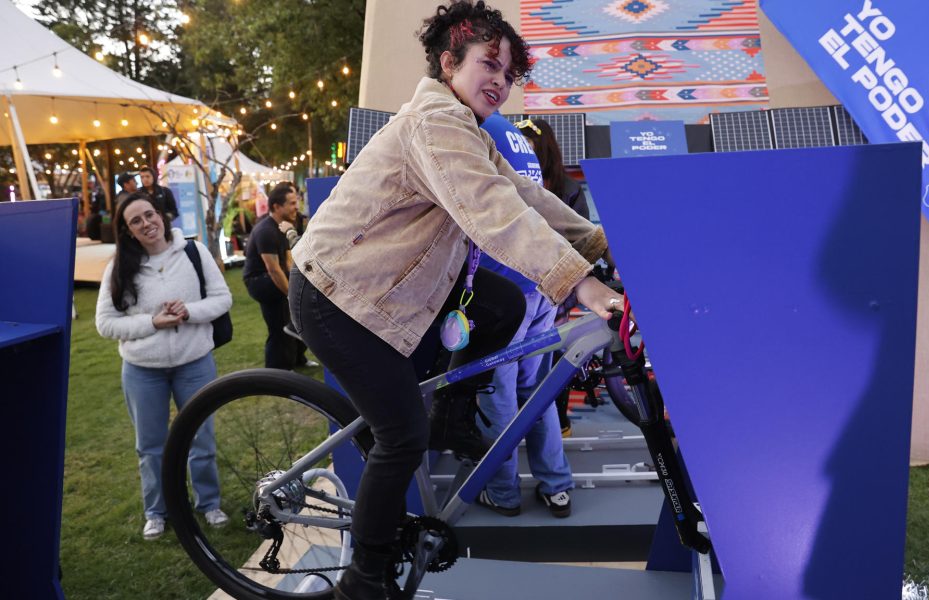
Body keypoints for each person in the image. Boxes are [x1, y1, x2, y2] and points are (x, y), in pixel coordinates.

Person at [287, 2, 621, 598]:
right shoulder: (434, 123)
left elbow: (522, 194)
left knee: (502, 305)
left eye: (510, 74)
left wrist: (598, 242)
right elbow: (493, 213)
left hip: (397, 287)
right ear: (448, 63)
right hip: (339, 297)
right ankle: (362, 581)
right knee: (401, 437)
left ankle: (452, 412)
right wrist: (579, 281)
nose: (501, 81)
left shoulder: (466, 128)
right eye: (489, 64)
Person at [95, 191, 232, 541]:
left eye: (149, 214)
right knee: (150, 446)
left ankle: (209, 503)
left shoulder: (193, 252)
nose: (146, 224)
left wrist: (189, 312)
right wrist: (151, 323)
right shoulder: (118, 268)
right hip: (143, 370)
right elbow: (105, 324)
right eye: (135, 221)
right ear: (127, 231)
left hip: (194, 362)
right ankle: (157, 511)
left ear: (161, 215)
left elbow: (222, 298)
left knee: (202, 438)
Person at [475, 113, 574, 518]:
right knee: (535, 391)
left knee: (497, 395)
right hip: (538, 282)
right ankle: (556, 485)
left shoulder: (474, 127)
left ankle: (503, 492)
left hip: (503, 289)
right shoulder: (513, 134)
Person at [515, 117, 592, 436]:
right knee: (519, 367)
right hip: (520, 286)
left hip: (556, 288)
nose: (524, 154)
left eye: (529, 147)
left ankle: (559, 423)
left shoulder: (568, 189)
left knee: (551, 363)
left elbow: (581, 241)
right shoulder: (513, 184)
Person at [243, 184, 311, 369]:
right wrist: (291, 295)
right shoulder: (266, 231)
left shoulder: (285, 225)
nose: (296, 207)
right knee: (281, 326)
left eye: (296, 202)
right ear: (276, 207)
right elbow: (273, 269)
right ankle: (279, 370)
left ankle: (299, 359)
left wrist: (296, 287)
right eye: (292, 203)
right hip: (261, 281)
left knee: (299, 317)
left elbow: (288, 261)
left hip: (275, 275)